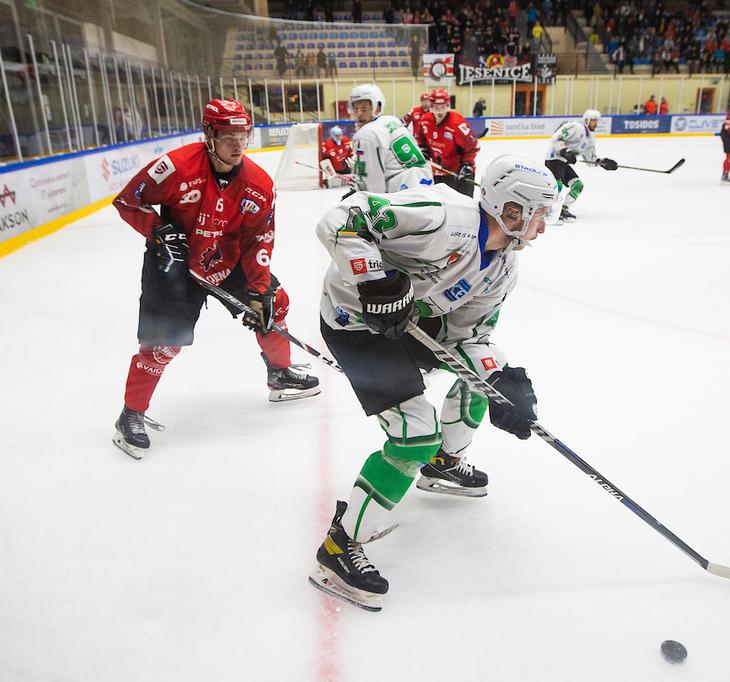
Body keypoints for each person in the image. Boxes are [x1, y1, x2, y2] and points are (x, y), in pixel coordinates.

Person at [308, 154, 562, 611]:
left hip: (417, 323)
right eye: (540, 214)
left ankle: (444, 461)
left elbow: (469, 335)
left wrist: (499, 382)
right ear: (511, 209)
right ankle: (338, 547)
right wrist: (375, 283)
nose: (543, 227)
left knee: (483, 383)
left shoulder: (504, 267)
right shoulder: (443, 218)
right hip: (356, 323)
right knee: (413, 435)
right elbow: (341, 218)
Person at [111, 100, 320, 458]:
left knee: (273, 303)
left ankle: (280, 373)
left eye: (243, 136)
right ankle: (130, 414)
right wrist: (159, 229)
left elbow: (259, 239)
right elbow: (129, 201)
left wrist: (257, 290)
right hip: (173, 264)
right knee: (164, 343)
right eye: (228, 137)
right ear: (209, 136)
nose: (238, 145)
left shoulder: (258, 183)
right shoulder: (175, 167)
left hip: (226, 258)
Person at [349, 83, 433, 193]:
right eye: (355, 109)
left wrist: (360, 195)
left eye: (364, 109)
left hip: (403, 198)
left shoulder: (366, 134)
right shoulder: (392, 120)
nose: (359, 114)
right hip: (427, 187)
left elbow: (374, 187)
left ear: (377, 107)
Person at [544, 109, 616, 222]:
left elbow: (590, 160)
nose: (595, 124)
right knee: (557, 185)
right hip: (554, 159)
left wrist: (602, 162)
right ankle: (549, 210)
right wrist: (564, 151)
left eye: (596, 121)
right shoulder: (575, 127)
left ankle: (563, 209)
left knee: (578, 186)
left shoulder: (590, 140)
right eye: (593, 121)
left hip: (564, 163)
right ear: (586, 120)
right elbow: (556, 138)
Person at [416, 89, 479, 197]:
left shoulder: (457, 123)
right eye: (436, 108)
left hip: (459, 173)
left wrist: (467, 165)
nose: (440, 112)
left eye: (443, 107)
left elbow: (473, 146)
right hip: (437, 171)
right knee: (442, 206)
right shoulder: (425, 120)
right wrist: (423, 149)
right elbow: (420, 138)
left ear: (448, 106)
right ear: (431, 106)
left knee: (464, 207)